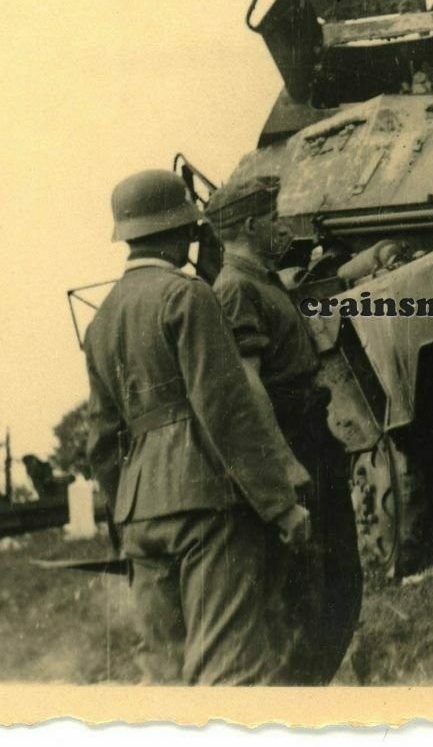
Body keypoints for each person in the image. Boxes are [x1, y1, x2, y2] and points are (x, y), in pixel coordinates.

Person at [83, 168, 312, 686]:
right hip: (204, 505)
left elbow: (100, 439)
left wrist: (125, 518)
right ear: (183, 230)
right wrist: (280, 506)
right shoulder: (187, 297)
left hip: (140, 516)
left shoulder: (101, 320)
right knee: (230, 672)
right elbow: (226, 408)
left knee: (167, 676)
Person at [204, 175, 363, 686]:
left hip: (311, 434)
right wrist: (287, 464)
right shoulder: (235, 290)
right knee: (311, 589)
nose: (279, 225)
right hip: (294, 442)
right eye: (270, 217)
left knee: (339, 582)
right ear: (250, 225)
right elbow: (249, 388)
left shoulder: (261, 280)